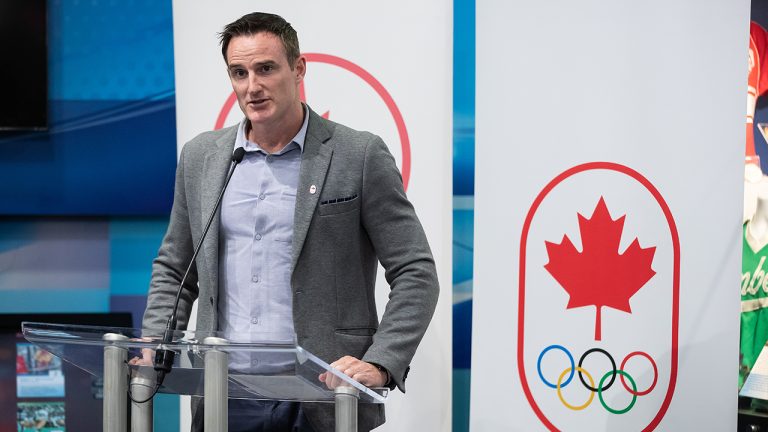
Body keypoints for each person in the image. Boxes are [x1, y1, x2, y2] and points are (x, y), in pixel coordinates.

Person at [141, 11, 439, 431]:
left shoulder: (359, 154)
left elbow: (416, 272)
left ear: (298, 69)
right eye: (239, 72)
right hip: (224, 395)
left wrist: (381, 362)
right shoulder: (202, 158)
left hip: (324, 395)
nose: (252, 87)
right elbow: (175, 267)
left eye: (266, 69)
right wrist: (156, 343)